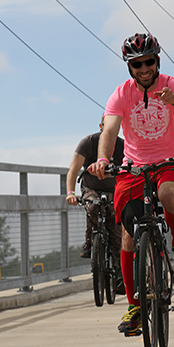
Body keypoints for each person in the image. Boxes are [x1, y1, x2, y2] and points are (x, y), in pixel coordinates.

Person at [88, 33, 174, 336]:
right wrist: (101, 158)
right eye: (137, 64)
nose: (144, 68)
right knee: (127, 234)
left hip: (170, 162)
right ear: (129, 67)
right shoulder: (121, 94)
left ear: (157, 61)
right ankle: (135, 306)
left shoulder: (172, 84)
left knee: (168, 193)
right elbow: (109, 129)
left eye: (149, 62)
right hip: (133, 169)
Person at [66, 116, 125, 293]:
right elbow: (73, 169)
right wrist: (70, 193)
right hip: (91, 187)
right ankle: (90, 242)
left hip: (115, 190)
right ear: (101, 126)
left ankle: (120, 277)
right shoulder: (88, 142)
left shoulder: (123, 145)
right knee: (93, 207)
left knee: (117, 232)